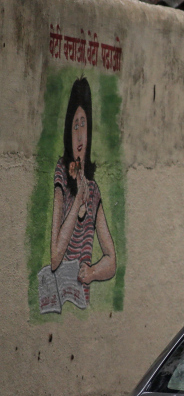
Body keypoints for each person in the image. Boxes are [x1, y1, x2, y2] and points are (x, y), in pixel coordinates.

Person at [49, 77, 117, 306]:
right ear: (69, 132)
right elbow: (55, 257)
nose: (79, 134)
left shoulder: (94, 191)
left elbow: (111, 260)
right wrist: (78, 199)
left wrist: (93, 272)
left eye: (83, 124)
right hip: (57, 299)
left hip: (80, 301)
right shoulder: (61, 175)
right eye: (75, 125)